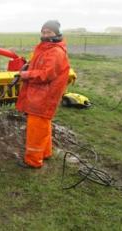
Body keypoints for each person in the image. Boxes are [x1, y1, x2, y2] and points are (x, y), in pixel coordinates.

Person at [15, 20, 70, 169]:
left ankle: (33, 161)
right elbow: (40, 65)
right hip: (40, 94)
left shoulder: (55, 51)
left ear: (57, 33)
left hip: (44, 95)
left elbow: (47, 74)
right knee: (43, 125)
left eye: (49, 32)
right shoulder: (45, 48)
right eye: (43, 32)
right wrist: (28, 65)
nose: (45, 34)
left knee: (36, 128)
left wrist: (25, 74)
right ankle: (45, 153)